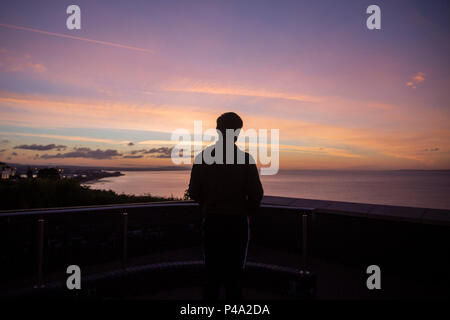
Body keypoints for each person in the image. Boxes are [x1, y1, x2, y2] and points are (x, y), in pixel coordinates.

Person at [188, 112, 264, 301]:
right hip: (237, 222)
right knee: (235, 276)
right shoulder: (246, 160)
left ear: (217, 130)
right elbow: (256, 194)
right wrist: (246, 211)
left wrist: (208, 204)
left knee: (211, 274)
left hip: (212, 221)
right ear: (237, 132)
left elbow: (193, 191)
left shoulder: (202, 158)